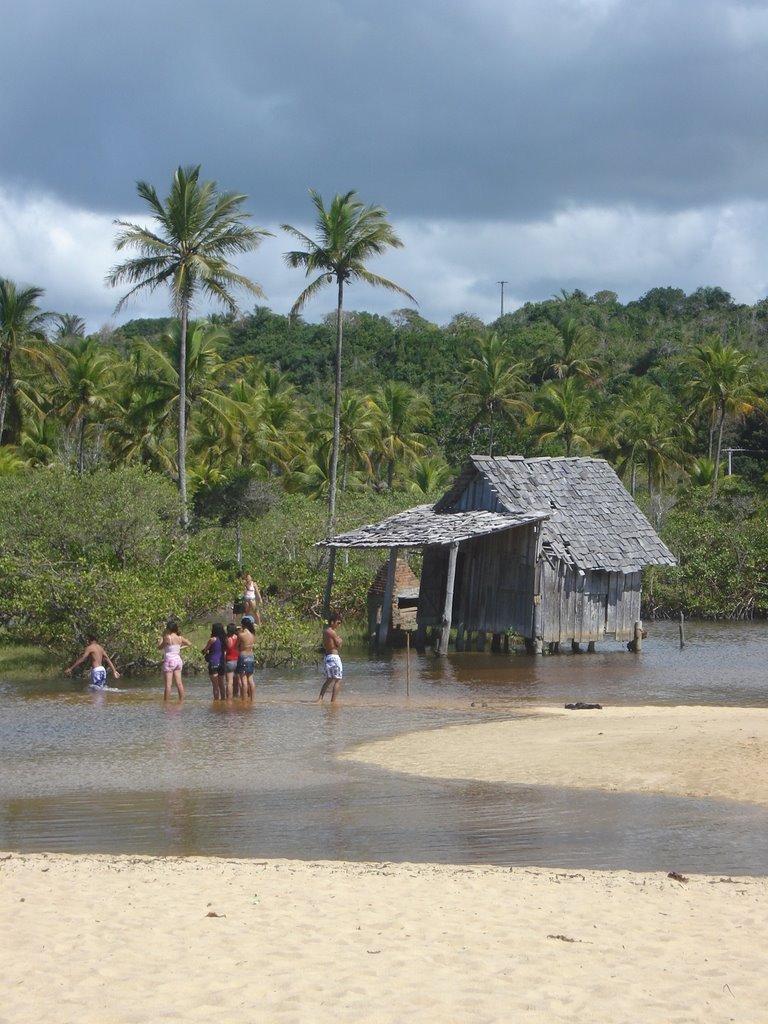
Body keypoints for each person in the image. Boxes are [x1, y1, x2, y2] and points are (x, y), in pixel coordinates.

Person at [159, 620, 192, 702]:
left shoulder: (167, 637)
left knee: (168, 685)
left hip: (169, 660)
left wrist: (161, 638)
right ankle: (181, 700)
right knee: (179, 683)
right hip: (178, 660)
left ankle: (166, 702)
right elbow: (189, 644)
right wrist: (180, 648)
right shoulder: (179, 638)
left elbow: (160, 647)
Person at [318, 612, 343, 703]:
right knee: (338, 680)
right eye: (338, 623)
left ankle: (320, 699)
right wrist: (340, 640)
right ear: (332, 622)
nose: (339, 625)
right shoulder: (331, 632)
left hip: (327, 657)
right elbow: (339, 644)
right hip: (334, 657)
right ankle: (333, 701)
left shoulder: (325, 631)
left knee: (329, 679)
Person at [202, 622, 226, 700]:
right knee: (221, 684)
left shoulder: (212, 639)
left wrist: (206, 652)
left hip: (213, 663)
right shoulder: (224, 640)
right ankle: (223, 700)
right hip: (222, 663)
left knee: (215, 685)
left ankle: (216, 702)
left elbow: (205, 651)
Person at [236, 616, 257, 700]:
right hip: (251, 656)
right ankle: (252, 699)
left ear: (243, 624)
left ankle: (244, 700)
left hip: (243, 656)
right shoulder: (253, 635)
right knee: (251, 679)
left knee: (243, 679)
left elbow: (235, 646)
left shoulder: (241, 635)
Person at [224, 623, 239, 699]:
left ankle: (229, 699)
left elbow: (225, 649)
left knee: (229, 682)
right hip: (237, 660)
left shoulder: (227, 638)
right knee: (237, 682)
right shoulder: (237, 637)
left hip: (229, 660)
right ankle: (236, 697)